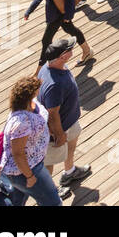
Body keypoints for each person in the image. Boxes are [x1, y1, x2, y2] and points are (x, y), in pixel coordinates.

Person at [38, 38, 90, 195]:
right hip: (57, 130)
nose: (72, 49)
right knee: (49, 163)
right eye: (69, 49)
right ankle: (50, 193)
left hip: (70, 122)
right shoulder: (55, 85)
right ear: (63, 56)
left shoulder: (51, 68)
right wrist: (59, 134)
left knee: (71, 147)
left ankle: (70, 172)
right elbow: (52, 114)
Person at [0, 77, 62, 206]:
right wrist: (29, 176)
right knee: (53, 202)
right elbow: (18, 153)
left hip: (33, 162)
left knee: (17, 201)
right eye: (37, 89)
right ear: (30, 94)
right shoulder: (21, 123)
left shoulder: (32, 103)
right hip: (26, 170)